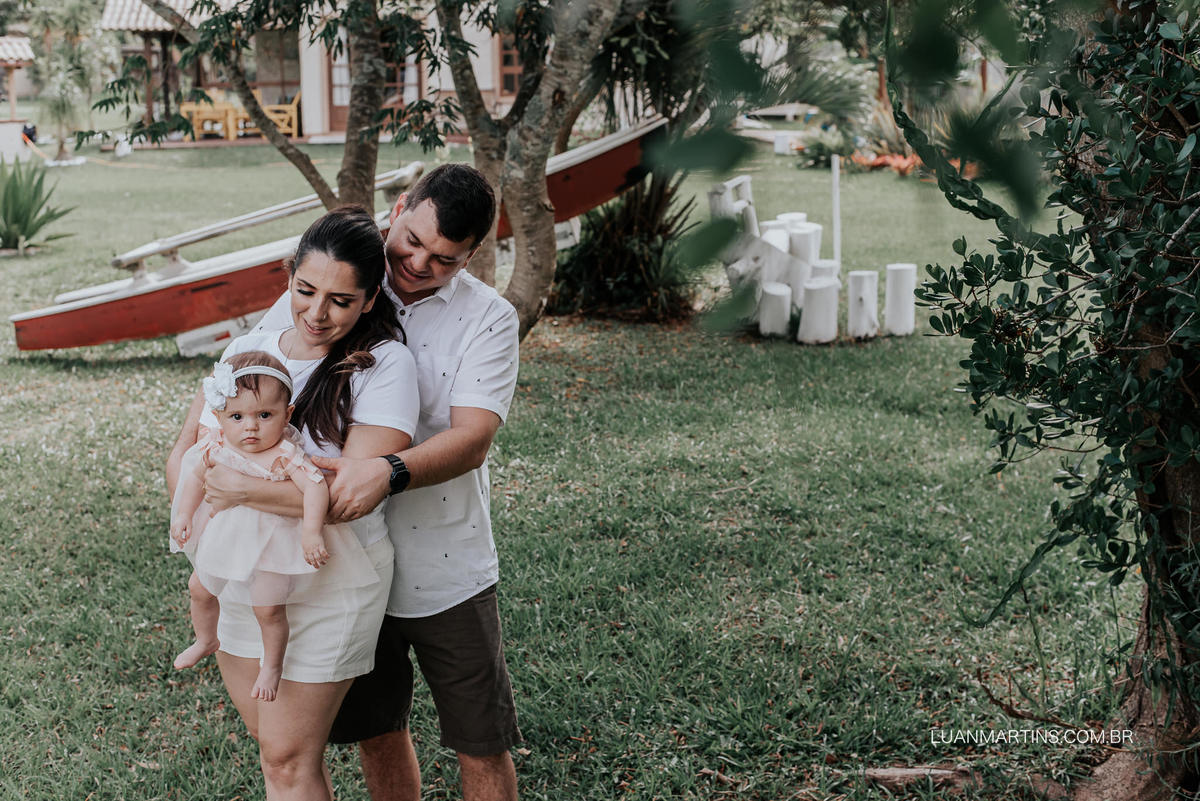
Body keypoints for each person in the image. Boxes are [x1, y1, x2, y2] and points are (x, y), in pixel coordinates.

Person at [248, 163, 522, 800]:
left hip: (445, 560)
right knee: (377, 730)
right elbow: (259, 365)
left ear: (471, 256)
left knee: (480, 742)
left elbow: (474, 438)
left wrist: (388, 470)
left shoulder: (489, 319)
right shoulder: (339, 269)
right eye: (414, 239)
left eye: (445, 258)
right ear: (400, 206)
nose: (420, 262)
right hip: (345, 565)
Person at [165, 206, 419, 800]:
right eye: (304, 290)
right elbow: (193, 449)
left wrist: (240, 491)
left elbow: (348, 496)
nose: (316, 313)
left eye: (341, 300)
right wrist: (199, 530)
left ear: (370, 297)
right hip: (242, 571)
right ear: (288, 277)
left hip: (329, 574)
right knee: (278, 753)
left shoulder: (385, 365)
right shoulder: (247, 351)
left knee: (285, 756)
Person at [170, 350, 378, 703]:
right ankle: (206, 638)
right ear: (219, 417)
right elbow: (194, 478)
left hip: (273, 544)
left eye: (264, 415)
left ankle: (272, 665)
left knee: (267, 608)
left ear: (287, 415)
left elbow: (315, 488)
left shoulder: (284, 453)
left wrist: (312, 532)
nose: (250, 426)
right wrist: (183, 515)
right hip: (229, 537)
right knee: (199, 588)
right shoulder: (218, 445)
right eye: (237, 416)